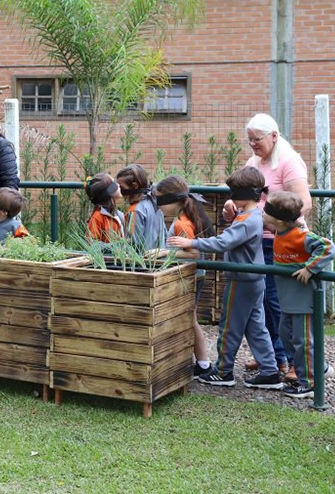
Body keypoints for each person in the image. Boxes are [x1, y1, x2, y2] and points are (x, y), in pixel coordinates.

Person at [168, 166, 282, 390]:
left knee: (229, 326)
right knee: (256, 327)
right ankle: (270, 372)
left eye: (234, 192)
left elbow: (223, 242)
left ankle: (223, 371)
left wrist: (191, 242)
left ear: (246, 194)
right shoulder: (251, 215)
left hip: (241, 281)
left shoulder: (247, 220)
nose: (231, 196)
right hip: (253, 279)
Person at [223, 113, 311, 374]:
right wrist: (234, 206)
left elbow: (303, 202)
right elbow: (248, 198)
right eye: (249, 139)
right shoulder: (253, 162)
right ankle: (274, 357)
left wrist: (268, 220)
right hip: (257, 240)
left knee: (277, 302)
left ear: (274, 136)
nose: (252, 144)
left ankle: (295, 362)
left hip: (280, 242)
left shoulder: (289, 162)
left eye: (257, 139)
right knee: (262, 303)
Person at [262, 191, 335, 398]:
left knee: (303, 341)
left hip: (303, 300)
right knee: (286, 335)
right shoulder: (278, 231)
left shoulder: (300, 236)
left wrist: (310, 268)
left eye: (266, 210)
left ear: (279, 220)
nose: (262, 212)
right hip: (287, 299)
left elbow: (327, 247)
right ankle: (319, 367)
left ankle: (309, 383)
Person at [153, 175, 213, 378]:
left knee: (190, 319)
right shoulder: (186, 216)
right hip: (192, 276)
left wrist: (162, 253)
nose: (159, 205)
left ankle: (203, 363)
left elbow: (193, 253)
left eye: (161, 200)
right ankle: (200, 362)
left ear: (173, 199)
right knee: (189, 318)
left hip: (190, 277)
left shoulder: (182, 223)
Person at [117, 164, 165, 250]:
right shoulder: (154, 202)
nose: (120, 190)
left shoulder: (135, 210)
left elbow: (132, 243)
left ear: (134, 186)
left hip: (143, 257)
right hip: (158, 255)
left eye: (122, 187)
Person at [85, 173, 124, 242]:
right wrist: (112, 247)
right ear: (108, 193)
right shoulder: (97, 217)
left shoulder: (117, 214)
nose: (118, 185)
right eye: (114, 184)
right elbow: (91, 242)